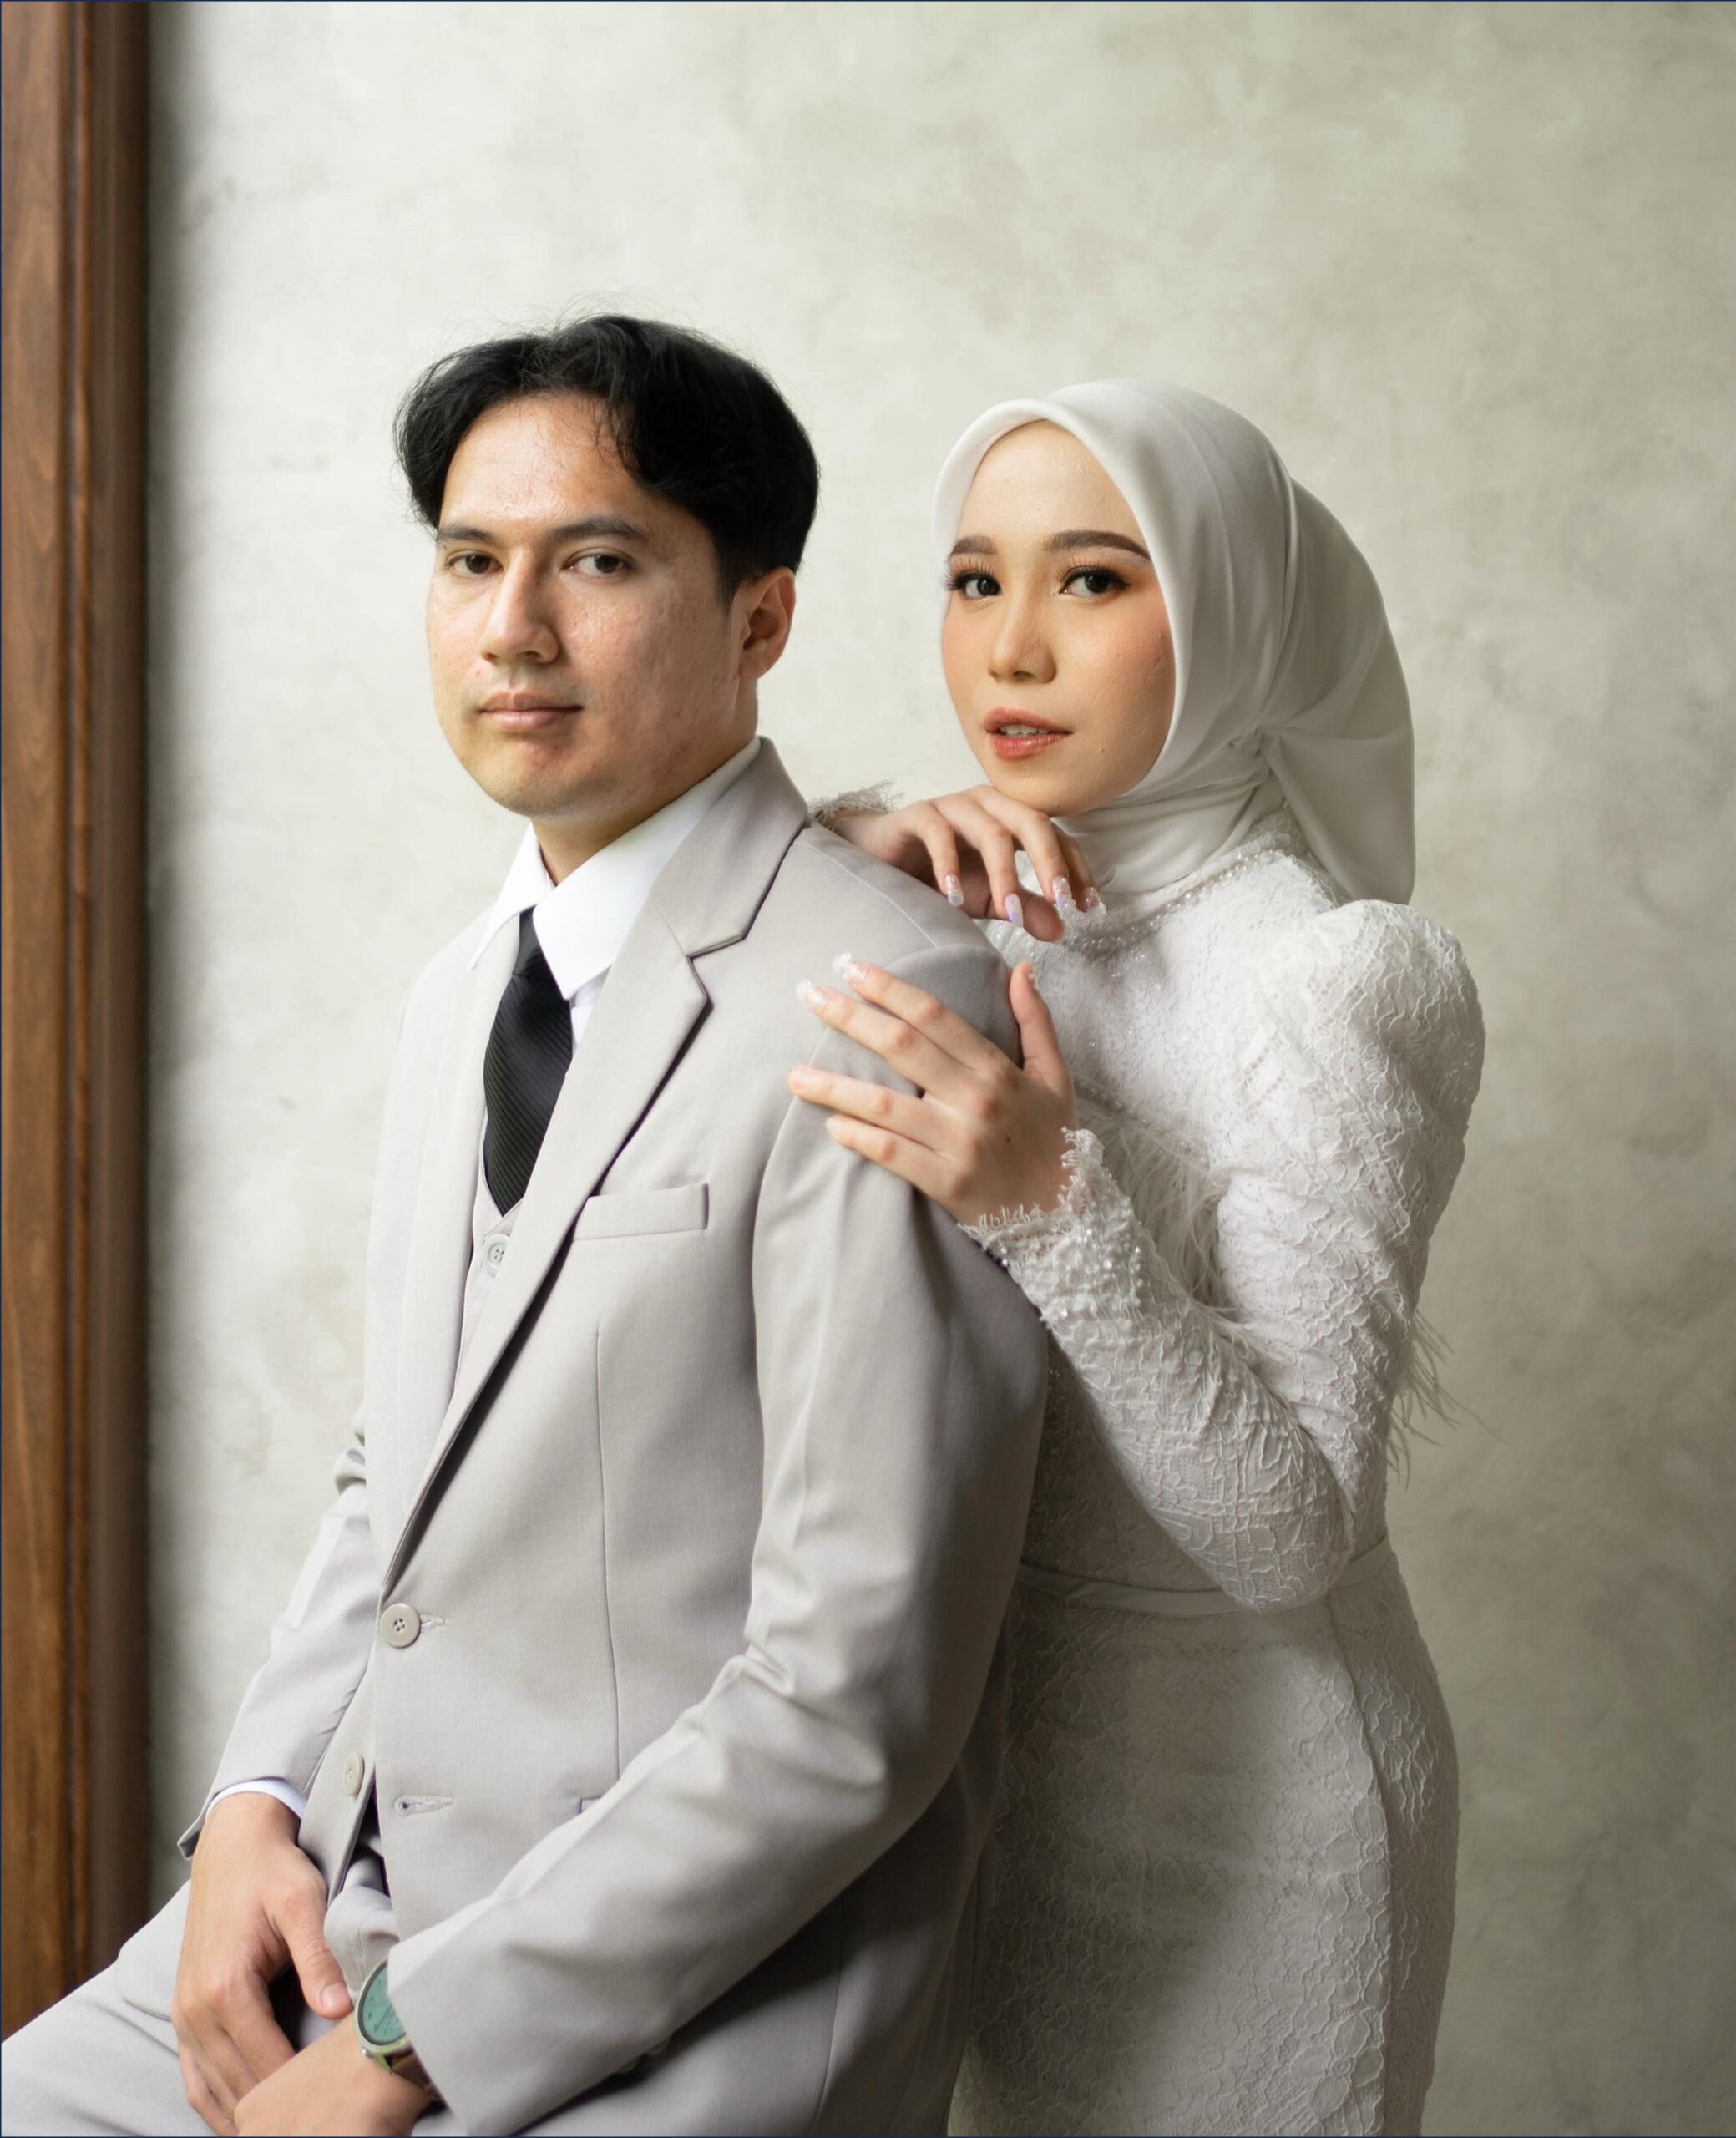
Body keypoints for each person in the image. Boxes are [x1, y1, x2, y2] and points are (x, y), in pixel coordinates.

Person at [0, 317, 1047, 2137]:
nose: (513, 628)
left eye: (599, 562)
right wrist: (251, 1808)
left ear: (762, 620)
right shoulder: (459, 992)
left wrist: (410, 2041)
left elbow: (851, 1698)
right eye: (471, 560)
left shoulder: (881, 1000)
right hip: (363, 1897)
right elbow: (392, 1473)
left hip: (700, 1994)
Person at [793, 380, 1485, 2136]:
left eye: (1092, 579)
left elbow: (1294, 1524)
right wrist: (837, 866)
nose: (1010, 648)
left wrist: (1053, 1204)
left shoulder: (1334, 977)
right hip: (993, 1791)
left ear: (1233, 611)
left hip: (1256, 1821)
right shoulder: (957, 914)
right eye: (974, 580)